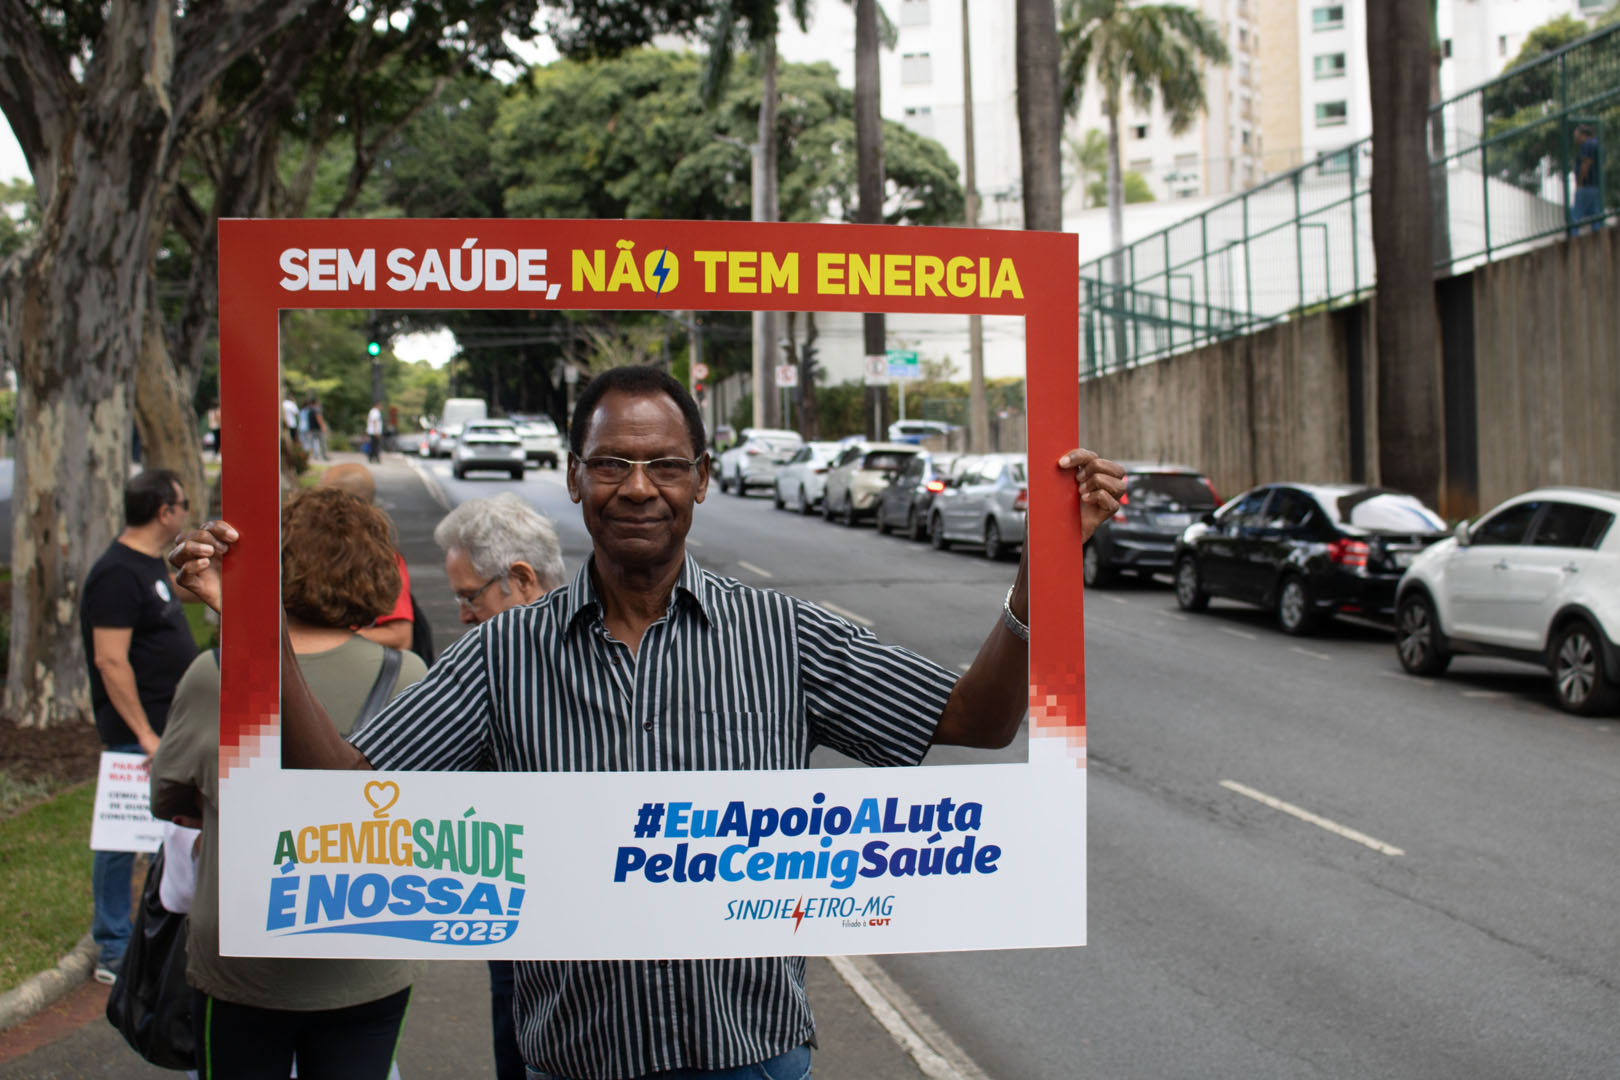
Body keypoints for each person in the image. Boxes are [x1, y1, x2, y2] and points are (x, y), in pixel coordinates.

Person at [172, 366, 1125, 1080]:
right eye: (612, 464)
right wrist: (254, 627)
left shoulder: (785, 637)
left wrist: (1042, 567)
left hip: (752, 1058)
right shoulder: (503, 656)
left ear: (702, 479)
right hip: (578, 1060)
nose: (638, 486)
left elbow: (978, 718)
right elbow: (344, 794)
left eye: (666, 464)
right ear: (575, 477)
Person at [152, 487, 427, 1080]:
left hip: (242, 954)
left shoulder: (214, 672)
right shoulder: (407, 674)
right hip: (366, 950)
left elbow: (168, 796)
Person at [432, 493, 565, 1080]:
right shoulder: (482, 664)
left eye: (470, 597)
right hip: (511, 924)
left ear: (522, 580)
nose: (464, 615)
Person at [81, 469, 199, 984]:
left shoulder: (150, 564)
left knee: (160, 835)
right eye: (183, 504)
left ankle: (152, 941)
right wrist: (145, 734)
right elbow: (110, 660)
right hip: (138, 734)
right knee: (120, 837)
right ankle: (112, 945)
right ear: (164, 511)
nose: (186, 511)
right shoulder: (116, 574)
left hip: (165, 728)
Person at [318, 464, 420, 655]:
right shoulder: (312, 551)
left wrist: (321, 638)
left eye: (320, 500)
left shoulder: (380, 559)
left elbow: (400, 637)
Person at [1572, 124, 1602, 235]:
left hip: (1585, 186)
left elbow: (1586, 164)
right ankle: (1598, 236)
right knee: (1596, 216)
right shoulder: (1598, 144)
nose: (1575, 138)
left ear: (1583, 135)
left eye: (1576, 135)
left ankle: (1573, 237)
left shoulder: (1587, 145)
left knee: (1575, 215)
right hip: (1596, 186)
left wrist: (1579, 183)